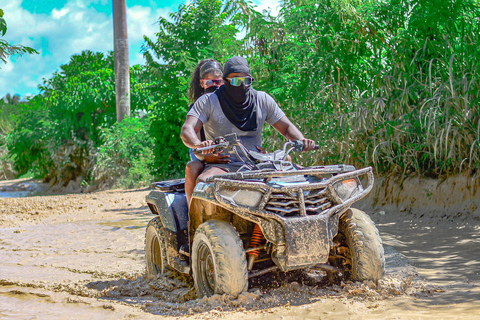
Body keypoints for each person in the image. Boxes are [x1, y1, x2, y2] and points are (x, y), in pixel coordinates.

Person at [181, 56, 316, 185]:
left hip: (258, 163)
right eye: (235, 81)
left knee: (312, 176)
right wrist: (199, 145)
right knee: (205, 182)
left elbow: (286, 127)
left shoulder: (262, 99)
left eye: (245, 81)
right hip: (224, 165)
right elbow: (188, 129)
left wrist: (301, 141)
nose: (240, 85)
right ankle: (197, 209)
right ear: (225, 80)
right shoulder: (208, 101)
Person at [184, 59, 230, 205]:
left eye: (218, 82)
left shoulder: (232, 104)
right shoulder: (197, 106)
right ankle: (193, 213)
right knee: (192, 168)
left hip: (229, 153)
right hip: (203, 153)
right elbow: (193, 143)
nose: (214, 86)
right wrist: (206, 155)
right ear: (202, 84)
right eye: (209, 83)